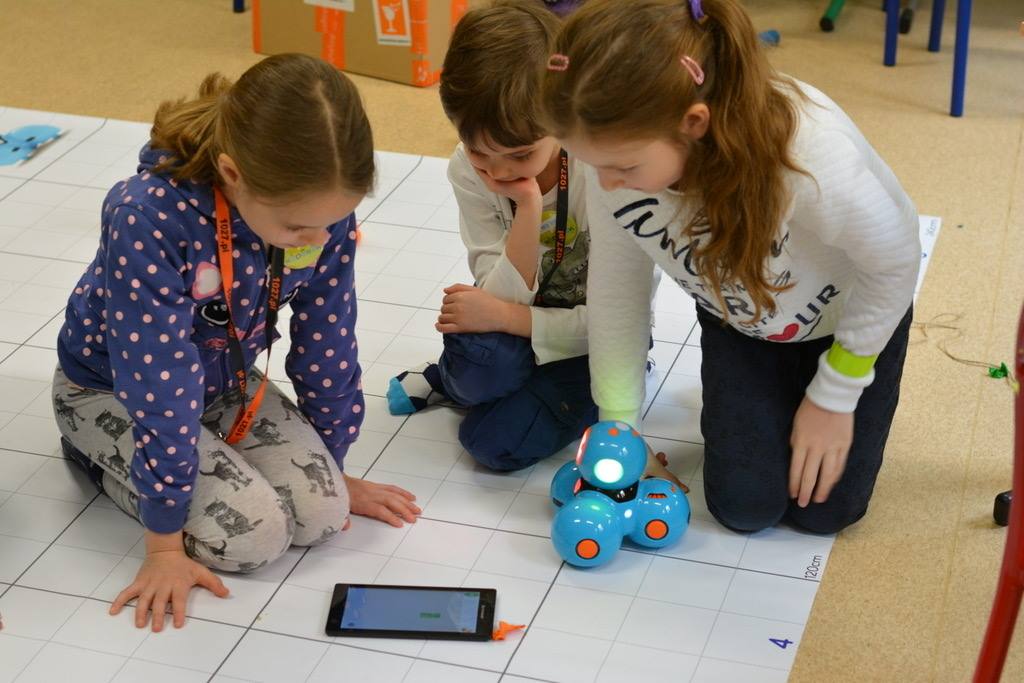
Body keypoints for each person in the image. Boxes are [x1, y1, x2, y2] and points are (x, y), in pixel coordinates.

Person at [52, 54, 420, 632]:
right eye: (299, 228)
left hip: (226, 376)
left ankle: (190, 468)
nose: (319, 240)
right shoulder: (147, 216)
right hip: (112, 389)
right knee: (251, 539)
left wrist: (333, 461)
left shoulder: (320, 215)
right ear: (233, 173)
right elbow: (159, 385)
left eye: (337, 220)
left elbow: (328, 345)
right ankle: (95, 459)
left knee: (324, 515)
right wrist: (165, 547)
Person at [542, 0, 920, 535]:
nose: (603, 185)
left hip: (848, 322)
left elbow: (896, 261)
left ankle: (828, 392)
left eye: (622, 167)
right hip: (741, 324)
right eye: (591, 163)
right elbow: (616, 291)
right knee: (744, 510)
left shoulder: (810, 156)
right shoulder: (612, 158)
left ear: (693, 124)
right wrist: (620, 427)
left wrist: (836, 394)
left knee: (826, 515)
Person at [386, 0, 607, 472]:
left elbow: (616, 323)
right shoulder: (468, 169)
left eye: (521, 153)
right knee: (479, 367)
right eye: (479, 150)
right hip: (517, 326)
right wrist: (528, 209)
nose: (499, 171)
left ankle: (539, 390)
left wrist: (508, 317)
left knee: (489, 443)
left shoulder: (605, 169)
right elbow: (493, 290)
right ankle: (450, 380)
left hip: (598, 340)